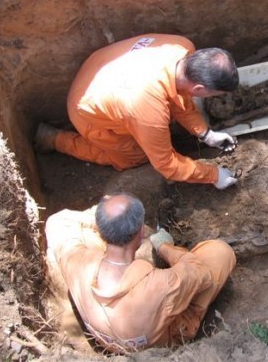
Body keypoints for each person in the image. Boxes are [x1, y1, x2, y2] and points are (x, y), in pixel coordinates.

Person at [34, 34, 240, 190]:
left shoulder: (182, 48)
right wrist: (213, 175)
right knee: (134, 157)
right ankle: (56, 139)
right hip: (87, 108)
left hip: (101, 70)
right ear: (199, 90)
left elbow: (181, 97)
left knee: (153, 118)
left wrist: (205, 133)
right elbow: (166, 165)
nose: (210, 98)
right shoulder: (147, 108)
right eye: (212, 94)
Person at [45, 192, 236, 353]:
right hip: (157, 345)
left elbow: (58, 220)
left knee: (80, 232)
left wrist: (105, 216)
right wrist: (165, 246)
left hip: (106, 339)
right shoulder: (162, 285)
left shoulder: (78, 264)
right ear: (141, 232)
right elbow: (200, 273)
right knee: (219, 252)